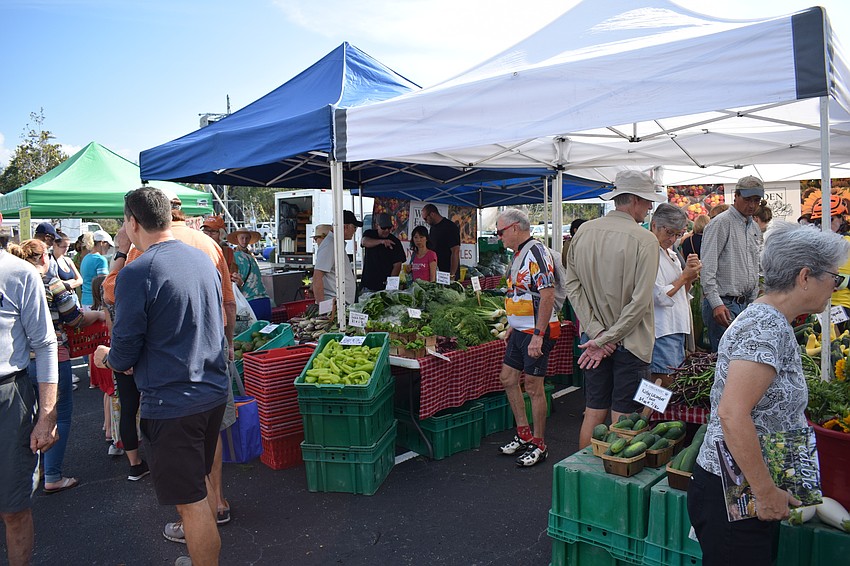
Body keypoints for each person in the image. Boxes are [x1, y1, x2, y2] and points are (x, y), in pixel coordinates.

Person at [688, 223, 850, 566]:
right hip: (736, 491)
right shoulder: (763, 326)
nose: (836, 287)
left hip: (743, 487)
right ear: (805, 276)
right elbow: (733, 414)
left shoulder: (773, 320)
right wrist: (763, 491)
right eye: (835, 279)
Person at [94, 187, 229, 566]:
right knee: (198, 486)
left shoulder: (138, 271)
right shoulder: (202, 257)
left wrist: (105, 357)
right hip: (211, 391)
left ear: (132, 222)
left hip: (173, 404)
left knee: (192, 503)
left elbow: (125, 351)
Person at [564, 170, 666, 448]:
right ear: (633, 200)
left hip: (594, 342)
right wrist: (608, 338)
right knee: (622, 418)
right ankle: (614, 482)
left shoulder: (583, 231)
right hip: (629, 343)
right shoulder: (645, 240)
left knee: (593, 411)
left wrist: (598, 334)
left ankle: (583, 476)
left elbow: (572, 287)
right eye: (647, 201)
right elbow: (640, 302)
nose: (649, 207)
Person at [13, 239, 106, 495]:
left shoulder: (13, 281)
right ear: (45, 257)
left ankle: (31, 470)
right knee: (57, 415)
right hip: (53, 358)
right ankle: (52, 474)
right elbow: (75, 318)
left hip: (18, 362)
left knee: (24, 419)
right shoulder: (51, 283)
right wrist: (98, 315)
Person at [0, 241, 59, 566]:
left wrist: (47, 417)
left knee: (13, 507)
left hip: (9, 397)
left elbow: (46, 344)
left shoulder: (18, 272)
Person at [495, 209, 561, 467]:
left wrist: (538, 335)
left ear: (514, 228)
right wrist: (513, 323)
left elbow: (547, 294)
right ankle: (524, 433)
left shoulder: (536, 252)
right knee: (508, 378)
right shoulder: (520, 253)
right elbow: (522, 293)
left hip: (536, 332)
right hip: (521, 330)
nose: (499, 237)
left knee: (533, 386)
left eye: (500, 232)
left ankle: (539, 442)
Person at [700, 176, 765, 352]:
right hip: (724, 303)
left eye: (756, 200)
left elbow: (754, 266)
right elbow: (707, 267)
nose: (752, 205)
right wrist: (716, 303)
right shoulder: (721, 223)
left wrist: (753, 302)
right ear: (735, 196)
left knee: (740, 357)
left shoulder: (754, 228)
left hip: (744, 304)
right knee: (726, 359)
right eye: (748, 199)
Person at [649, 204, 701, 386]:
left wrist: (689, 276)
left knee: (671, 382)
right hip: (662, 329)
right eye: (669, 232)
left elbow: (682, 293)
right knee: (663, 381)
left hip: (677, 326)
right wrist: (684, 277)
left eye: (678, 234)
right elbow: (658, 296)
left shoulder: (671, 254)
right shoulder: (649, 254)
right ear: (654, 225)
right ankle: (650, 414)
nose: (672, 239)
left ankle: (652, 414)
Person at [810, 195, 850, 331]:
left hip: (843, 307)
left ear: (841, 218)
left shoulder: (846, 242)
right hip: (820, 306)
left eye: (830, 219)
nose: (825, 223)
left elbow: (840, 280)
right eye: (819, 220)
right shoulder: (818, 244)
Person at [312, 210, 360, 305]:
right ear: (345, 227)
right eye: (354, 227)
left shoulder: (336, 243)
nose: (355, 231)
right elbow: (317, 276)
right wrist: (322, 307)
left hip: (340, 303)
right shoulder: (330, 245)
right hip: (334, 304)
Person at [227, 227, 271, 321]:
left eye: (247, 238)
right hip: (265, 301)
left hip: (250, 303)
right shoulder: (251, 257)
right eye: (242, 238)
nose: (244, 241)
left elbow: (235, 282)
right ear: (236, 239)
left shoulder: (235, 257)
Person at [360, 213, 405, 293]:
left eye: (389, 228)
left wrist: (390, 287)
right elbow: (364, 242)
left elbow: (397, 265)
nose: (387, 230)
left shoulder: (395, 242)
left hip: (385, 287)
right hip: (368, 286)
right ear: (377, 225)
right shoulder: (369, 234)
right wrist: (381, 242)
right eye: (384, 228)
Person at [422, 204, 461, 280]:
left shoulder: (450, 227)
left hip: (448, 272)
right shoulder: (433, 229)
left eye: (426, 218)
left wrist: (452, 275)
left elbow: (455, 251)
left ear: (432, 214)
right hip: (437, 271)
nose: (425, 221)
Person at [201, 216, 241, 286]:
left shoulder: (228, 253)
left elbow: (233, 275)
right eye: (206, 231)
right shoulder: (196, 251)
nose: (209, 235)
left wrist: (238, 281)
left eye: (213, 231)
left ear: (221, 234)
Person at [80, 229, 113, 308]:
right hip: (96, 303)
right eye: (108, 245)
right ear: (102, 243)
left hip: (85, 300)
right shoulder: (100, 259)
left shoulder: (86, 258)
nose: (109, 248)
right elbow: (102, 283)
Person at [51, 231, 83, 296]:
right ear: (55, 245)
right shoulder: (51, 261)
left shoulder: (68, 260)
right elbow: (56, 284)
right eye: (63, 247)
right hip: (60, 299)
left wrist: (69, 284)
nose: (66, 249)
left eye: (68, 246)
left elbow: (80, 280)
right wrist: (72, 281)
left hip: (72, 296)